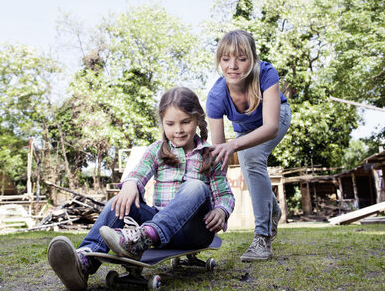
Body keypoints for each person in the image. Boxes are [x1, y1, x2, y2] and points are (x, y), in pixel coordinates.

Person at [47, 86, 235, 291]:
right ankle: (83, 263)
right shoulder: (157, 150)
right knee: (117, 202)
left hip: (194, 232)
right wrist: (129, 185)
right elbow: (138, 174)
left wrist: (221, 210)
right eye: (170, 124)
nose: (178, 130)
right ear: (162, 123)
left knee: (196, 186)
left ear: (197, 120)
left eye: (185, 122)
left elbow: (225, 195)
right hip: (157, 228)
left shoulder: (211, 154)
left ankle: (145, 236)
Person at [206, 30, 291, 262]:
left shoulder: (266, 73)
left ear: (252, 59)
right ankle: (272, 209)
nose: (232, 66)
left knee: (252, 158)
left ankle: (262, 237)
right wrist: (217, 202)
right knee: (250, 170)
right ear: (219, 61)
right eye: (225, 59)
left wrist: (233, 145)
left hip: (275, 118)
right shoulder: (216, 96)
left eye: (241, 58)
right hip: (244, 131)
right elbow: (219, 151)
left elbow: (271, 127)